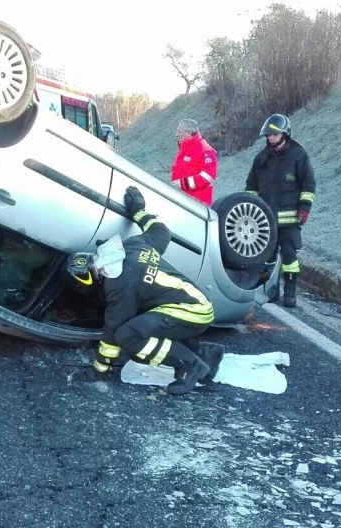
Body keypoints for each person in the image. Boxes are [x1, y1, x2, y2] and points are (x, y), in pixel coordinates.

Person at [66, 186, 225, 396]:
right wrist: (139, 211)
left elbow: (111, 334)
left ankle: (190, 365)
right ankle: (202, 352)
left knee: (127, 336)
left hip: (192, 312)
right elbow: (161, 232)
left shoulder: (119, 288)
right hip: (196, 302)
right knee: (139, 326)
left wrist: (99, 370)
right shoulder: (133, 246)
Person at [244, 113, 316, 307]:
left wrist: (305, 208)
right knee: (266, 258)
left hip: (290, 220)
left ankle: (290, 293)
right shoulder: (261, 158)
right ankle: (270, 291)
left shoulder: (298, 155)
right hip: (265, 219)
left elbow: (308, 185)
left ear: (285, 134)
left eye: (274, 135)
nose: (270, 138)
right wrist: (251, 207)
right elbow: (251, 185)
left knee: (289, 257)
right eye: (268, 135)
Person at [171, 119, 219, 206]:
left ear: (188, 133)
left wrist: (183, 184)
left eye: (179, 132)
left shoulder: (204, 150)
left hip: (197, 205)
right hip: (184, 200)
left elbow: (207, 178)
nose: (176, 135)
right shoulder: (185, 148)